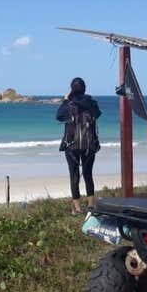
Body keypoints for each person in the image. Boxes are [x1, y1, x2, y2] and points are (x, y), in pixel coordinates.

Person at [57, 77, 102, 215]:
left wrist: (65, 99)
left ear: (71, 89)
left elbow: (58, 116)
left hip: (71, 145)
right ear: (85, 88)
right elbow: (98, 114)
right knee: (88, 174)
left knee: (74, 175)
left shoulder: (69, 104)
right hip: (89, 144)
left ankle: (77, 208)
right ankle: (91, 205)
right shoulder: (92, 103)